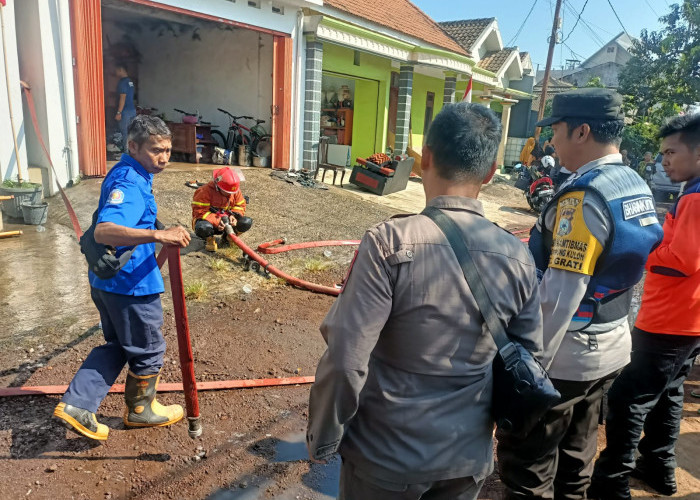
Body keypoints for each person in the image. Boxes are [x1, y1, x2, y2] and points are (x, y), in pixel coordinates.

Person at [306, 103, 544, 500]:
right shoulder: (517, 255)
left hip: (384, 457)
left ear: (425, 160)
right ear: (490, 172)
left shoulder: (388, 243)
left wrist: (325, 439)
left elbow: (347, 358)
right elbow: (530, 357)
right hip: (465, 459)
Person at [497, 88, 664, 499]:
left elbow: (561, 293)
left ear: (582, 131)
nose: (551, 141)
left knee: (529, 465)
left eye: (555, 131)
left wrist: (530, 366)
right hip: (611, 346)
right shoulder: (632, 182)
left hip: (566, 355)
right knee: (576, 457)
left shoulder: (583, 198)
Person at [53, 116, 191, 441]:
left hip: (108, 283)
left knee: (120, 345)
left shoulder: (129, 173)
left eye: (168, 151)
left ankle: (77, 405)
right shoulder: (130, 181)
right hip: (130, 286)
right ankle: (141, 411)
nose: (164, 158)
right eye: (156, 150)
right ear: (133, 146)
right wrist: (160, 234)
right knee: (148, 349)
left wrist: (156, 227)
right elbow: (105, 231)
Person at [589, 113, 700, 499]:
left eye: (671, 152)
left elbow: (684, 259)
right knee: (668, 393)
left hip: (669, 319)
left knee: (628, 398)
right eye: (662, 153)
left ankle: (610, 482)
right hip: (688, 319)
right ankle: (658, 467)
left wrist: (645, 248)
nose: (664, 160)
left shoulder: (695, 199)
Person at [191, 167, 252, 252]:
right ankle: (209, 239)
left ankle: (228, 239)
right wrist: (217, 221)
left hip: (228, 222)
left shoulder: (234, 190)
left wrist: (234, 215)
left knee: (247, 222)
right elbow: (199, 212)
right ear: (218, 186)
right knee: (202, 227)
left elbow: (240, 205)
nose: (230, 194)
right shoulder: (204, 191)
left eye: (232, 192)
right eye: (227, 192)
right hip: (210, 223)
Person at [114, 63, 137, 151]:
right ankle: (133, 152)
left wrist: (119, 112)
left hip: (125, 112)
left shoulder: (122, 82)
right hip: (132, 110)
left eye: (116, 70)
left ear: (121, 70)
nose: (115, 72)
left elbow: (122, 98)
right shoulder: (130, 81)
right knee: (132, 133)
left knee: (125, 133)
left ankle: (126, 153)